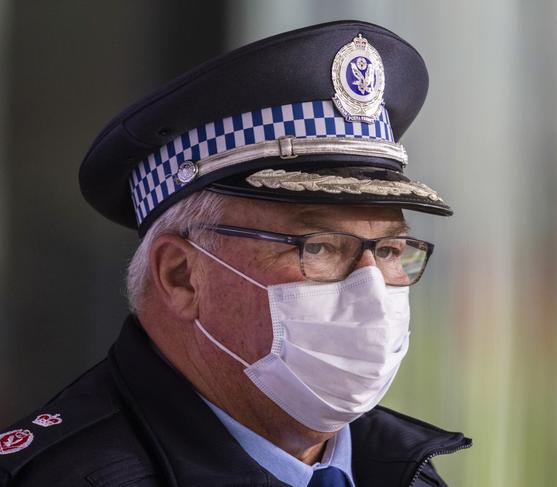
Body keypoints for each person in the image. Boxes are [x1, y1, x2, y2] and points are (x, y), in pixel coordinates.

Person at [0, 20, 471, 487]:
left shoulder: (401, 471)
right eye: (321, 246)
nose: (370, 287)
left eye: (390, 249)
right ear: (181, 275)